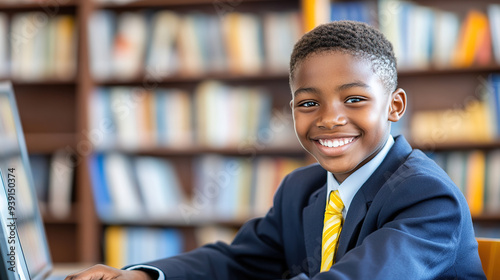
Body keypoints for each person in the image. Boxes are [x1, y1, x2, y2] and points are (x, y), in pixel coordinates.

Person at [66, 21, 486, 280]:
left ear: (395, 105)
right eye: (308, 103)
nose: (329, 118)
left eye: (354, 99)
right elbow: (236, 264)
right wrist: (143, 276)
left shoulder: (429, 198)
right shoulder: (301, 190)